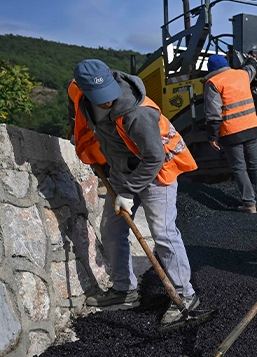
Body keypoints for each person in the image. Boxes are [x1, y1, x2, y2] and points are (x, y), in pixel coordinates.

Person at [68, 59, 200, 324]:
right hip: (120, 171)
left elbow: (153, 157)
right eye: (99, 98)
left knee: (163, 232)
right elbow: (79, 115)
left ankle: (186, 295)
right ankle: (124, 290)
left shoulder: (138, 113)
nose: (107, 102)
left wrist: (127, 193)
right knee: (111, 228)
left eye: (108, 95)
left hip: (156, 172)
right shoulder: (79, 94)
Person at [204, 54, 257, 213]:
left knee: (239, 168)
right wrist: (252, 59)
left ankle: (249, 204)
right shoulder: (242, 75)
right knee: (256, 165)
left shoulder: (213, 83)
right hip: (250, 128)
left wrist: (212, 136)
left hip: (231, 132)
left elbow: (214, 113)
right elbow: (251, 68)